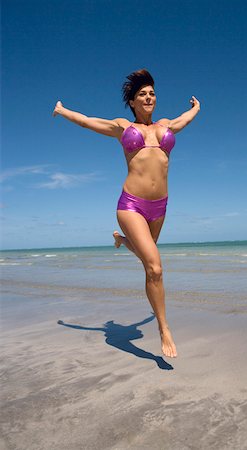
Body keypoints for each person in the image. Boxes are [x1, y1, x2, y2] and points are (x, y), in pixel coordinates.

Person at [53, 69, 200, 358]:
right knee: (156, 267)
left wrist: (196, 107)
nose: (149, 97)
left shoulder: (166, 125)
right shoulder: (123, 127)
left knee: (149, 264)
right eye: (142, 94)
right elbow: (88, 122)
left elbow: (184, 120)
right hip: (131, 204)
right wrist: (62, 110)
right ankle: (164, 328)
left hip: (160, 206)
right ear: (132, 102)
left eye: (152, 93)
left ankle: (122, 241)